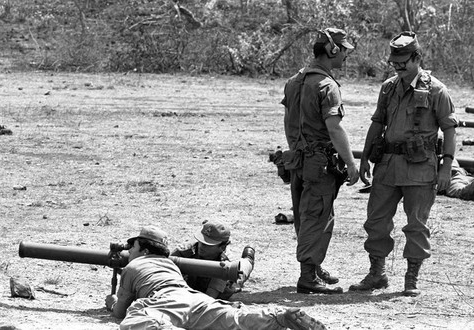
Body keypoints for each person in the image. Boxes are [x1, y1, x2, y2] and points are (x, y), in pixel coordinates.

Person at [349, 31, 458, 297]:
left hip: (420, 168)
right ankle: (377, 274)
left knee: (416, 224)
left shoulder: (436, 90)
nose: (398, 66)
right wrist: (364, 158)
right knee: (376, 222)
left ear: (417, 58)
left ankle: (411, 279)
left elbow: (450, 130)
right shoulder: (388, 88)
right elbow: (377, 123)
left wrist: (446, 167)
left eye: (404, 61)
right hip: (387, 165)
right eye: (394, 61)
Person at [105, 225, 327, 330]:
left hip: (165, 300)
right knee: (233, 319)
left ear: (144, 251)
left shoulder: (135, 265)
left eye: (131, 247)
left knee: (135, 319)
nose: (128, 251)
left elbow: (119, 312)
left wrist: (113, 302)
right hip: (194, 298)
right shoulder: (173, 260)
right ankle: (277, 316)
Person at [280, 28, 359, 294]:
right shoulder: (327, 85)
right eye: (343, 49)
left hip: (298, 160)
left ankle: (313, 267)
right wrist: (350, 163)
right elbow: (335, 129)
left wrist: (298, 149)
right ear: (331, 50)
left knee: (308, 214)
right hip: (319, 163)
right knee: (316, 215)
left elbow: (288, 121)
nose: (346, 54)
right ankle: (307, 276)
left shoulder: (294, 81)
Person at [170, 220, 255, 300]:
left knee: (241, 272)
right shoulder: (183, 252)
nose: (201, 247)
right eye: (201, 241)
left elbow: (209, 299)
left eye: (207, 245)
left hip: (214, 291)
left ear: (222, 247)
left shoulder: (225, 265)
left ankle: (248, 259)